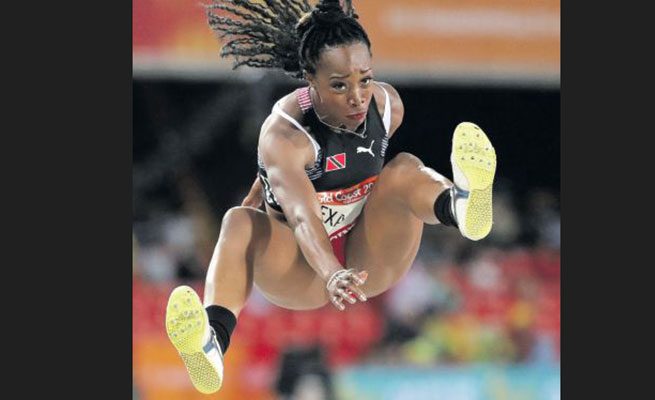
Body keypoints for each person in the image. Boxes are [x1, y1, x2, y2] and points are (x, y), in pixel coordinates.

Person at [165, 0, 497, 394]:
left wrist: (345, 266)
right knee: (238, 220)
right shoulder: (285, 137)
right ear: (310, 80)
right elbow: (304, 217)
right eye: (339, 84)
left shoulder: (387, 107)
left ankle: (460, 207)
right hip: (300, 271)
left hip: (368, 258)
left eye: (365, 79)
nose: (357, 97)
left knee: (405, 167)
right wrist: (330, 272)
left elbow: (386, 191)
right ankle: (212, 344)